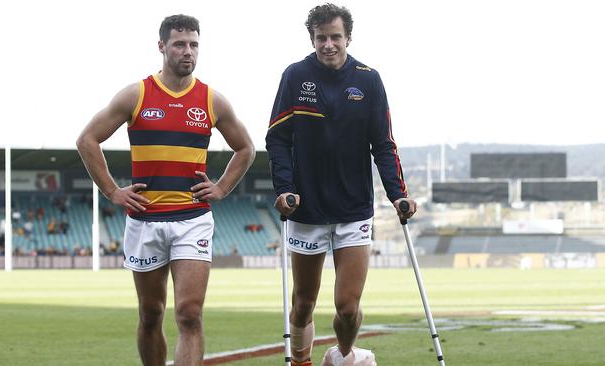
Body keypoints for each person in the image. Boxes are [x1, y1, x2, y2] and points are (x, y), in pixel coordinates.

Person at [76, 14, 255, 366]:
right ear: (162, 47)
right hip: (145, 221)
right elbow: (87, 140)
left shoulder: (211, 100)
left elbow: (246, 148)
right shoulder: (136, 94)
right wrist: (112, 191)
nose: (188, 52)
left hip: (193, 220)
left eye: (193, 45)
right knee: (151, 314)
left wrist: (221, 188)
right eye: (179, 44)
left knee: (189, 314)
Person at [265, 4, 417, 366]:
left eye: (335, 37)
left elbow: (383, 144)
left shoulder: (368, 79)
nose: (328, 44)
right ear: (312, 39)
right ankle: (302, 361)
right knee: (303, 302)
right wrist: (284, 188)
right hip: (307, 209)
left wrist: (398, 195)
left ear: (348, 37)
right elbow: (277, 139)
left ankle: (343, 355)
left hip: (353, 210)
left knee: (348, 308)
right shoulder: (295, 76)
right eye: (321, 38)